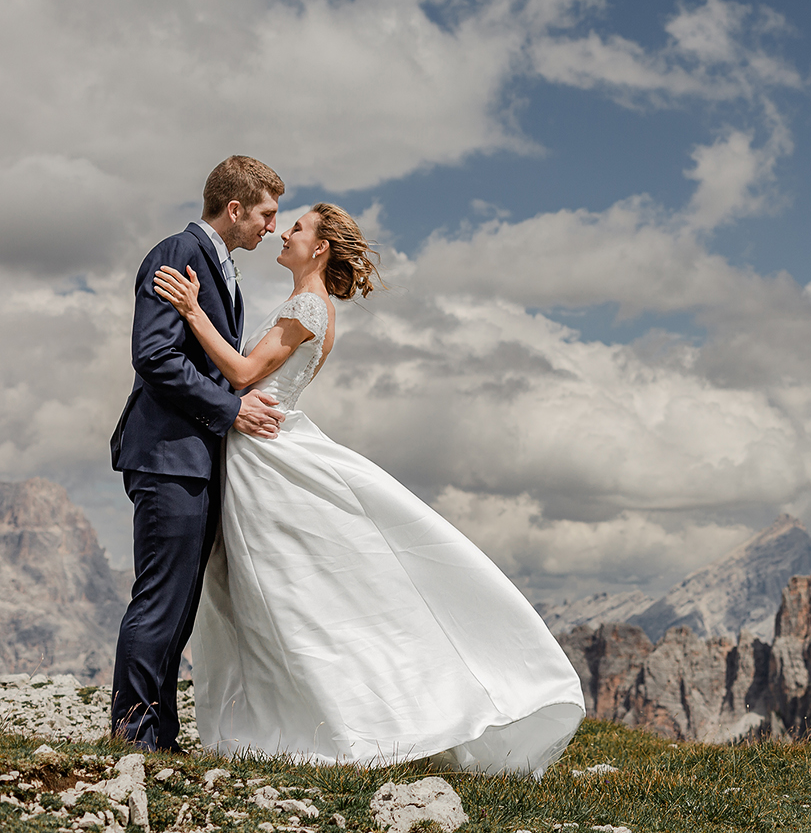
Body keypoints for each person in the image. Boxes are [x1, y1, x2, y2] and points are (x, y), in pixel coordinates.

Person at [152, 202, 584, 773]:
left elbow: (240, 371)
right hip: (254, 449)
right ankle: (283, 720)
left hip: (266, 459)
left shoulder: (308, 305)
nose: (284, 233)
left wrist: (191, 310)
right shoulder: (303, 304)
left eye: (297, 228)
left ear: (321, 248)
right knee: (266, 596)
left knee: (283, 594)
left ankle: (333, 723)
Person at [110, 155, 286, 751]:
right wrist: (232, 409)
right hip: (167, 456)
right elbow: (156, 355)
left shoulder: (217, 265)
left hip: (192, 458)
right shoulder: (176, 254)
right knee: (161, 600)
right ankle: (133, 736)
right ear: (234, 209)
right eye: (265, 214)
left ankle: (159, 735)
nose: (271, 227)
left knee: (180, 604)